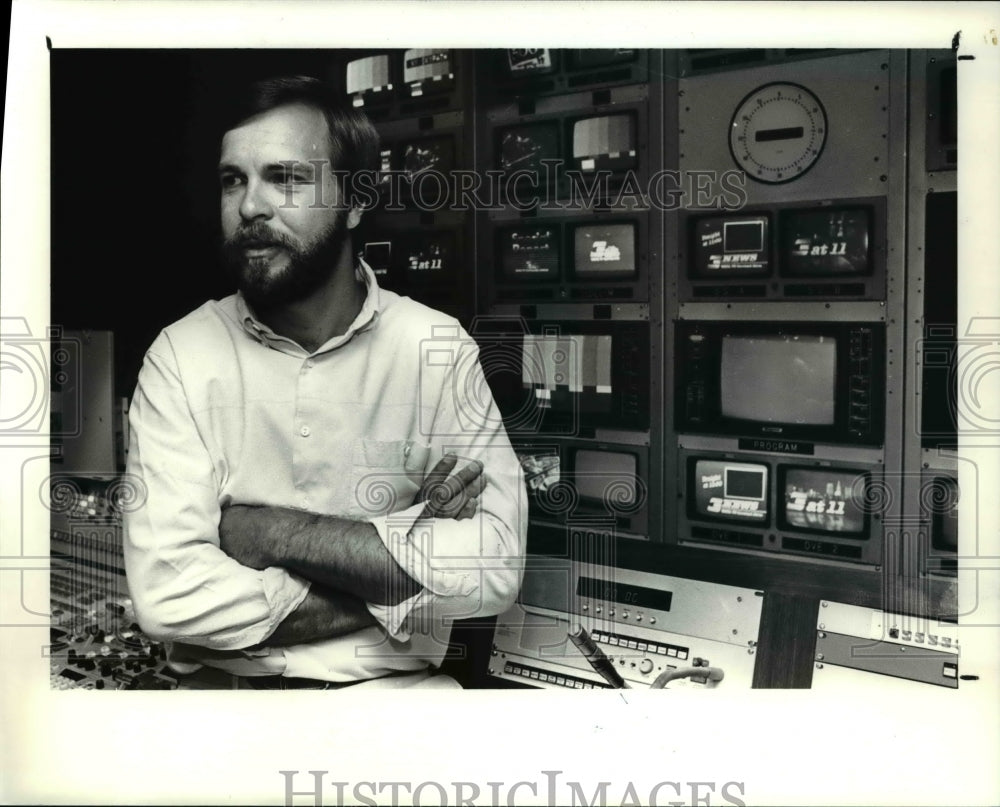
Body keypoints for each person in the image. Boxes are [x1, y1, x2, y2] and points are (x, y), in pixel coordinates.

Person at [123, 75, 527, 690]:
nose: (251, 206)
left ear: (356, 200)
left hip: (394, 704)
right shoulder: (181, 356)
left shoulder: (435, 349)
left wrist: (269, 533)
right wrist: (398, 580)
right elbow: (167, 597)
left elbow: (494, 566)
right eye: (234, 179)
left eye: (285, 177)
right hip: (221, 706)